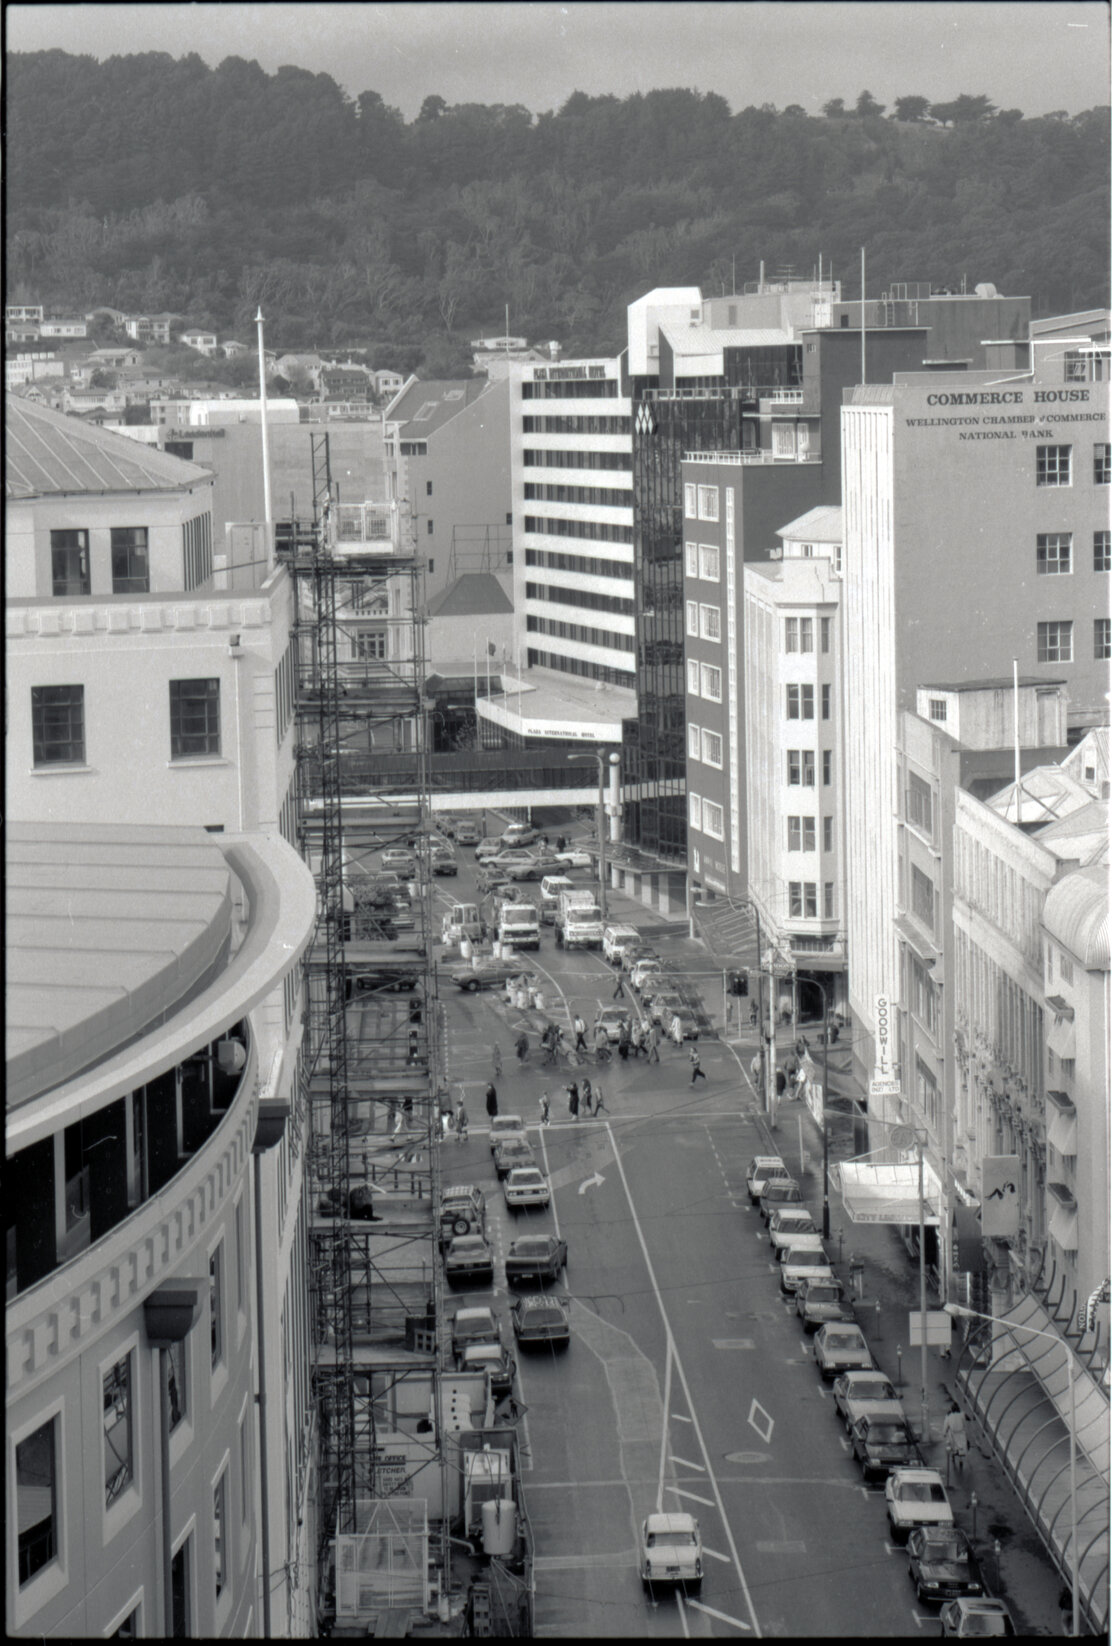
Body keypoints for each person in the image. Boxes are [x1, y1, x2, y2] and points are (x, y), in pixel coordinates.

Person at [943, 1402, 968, 1473]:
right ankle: (960, 1460)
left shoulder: (949, 1416)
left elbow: (945, 1425)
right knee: (961, 1447)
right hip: (961, 1433)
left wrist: (944, 1433)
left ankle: (953, 1456)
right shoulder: (961, 1415)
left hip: (952, 1433)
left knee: (953, 1446)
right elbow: (967, 1418)